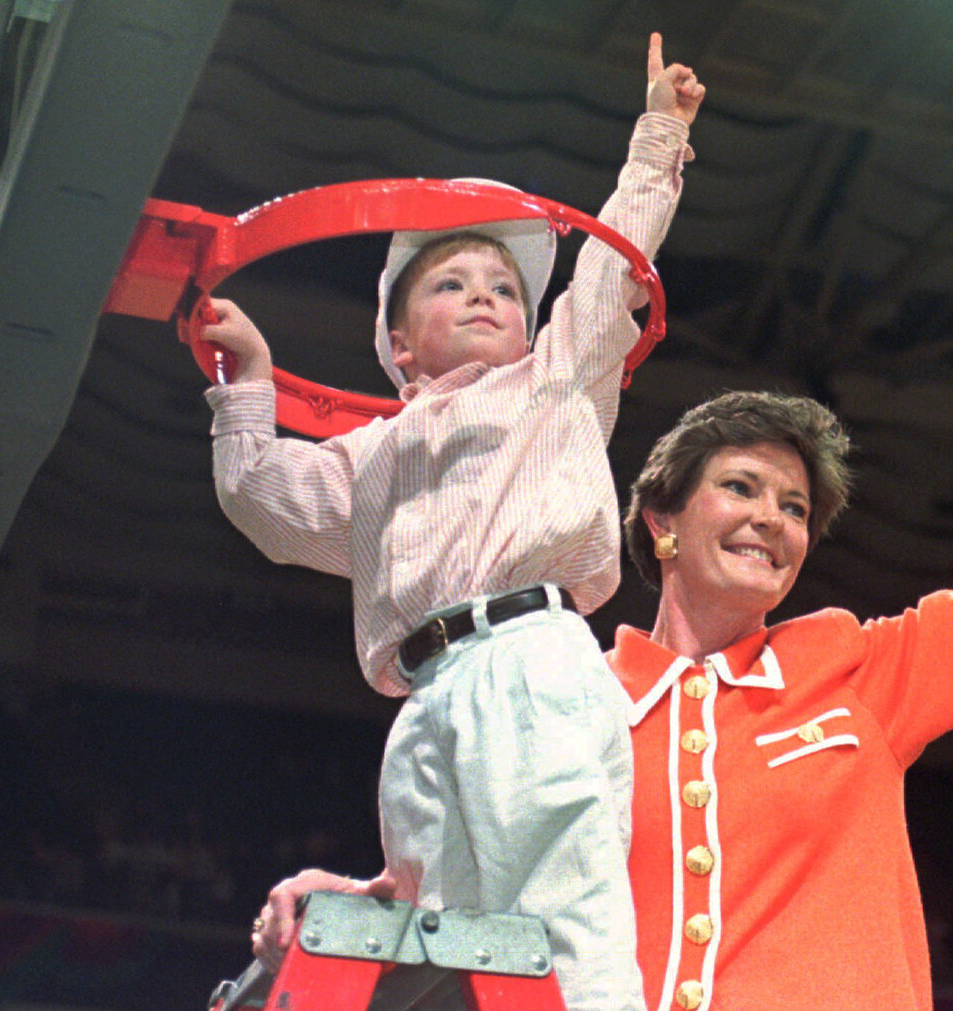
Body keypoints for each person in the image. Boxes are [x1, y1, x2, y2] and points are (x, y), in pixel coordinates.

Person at [250, 223, 953, 1010]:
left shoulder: (855, 674)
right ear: (658, 522)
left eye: (795, 509)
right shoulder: (570, 697)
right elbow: (474, 893)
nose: (774, 522)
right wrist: (358, 904)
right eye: (742, 489)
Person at [203, 34, 703, 1011]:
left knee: (568, 922)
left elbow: (610, 274)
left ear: (530, 324)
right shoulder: (373, 455)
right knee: (456, 959)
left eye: (506, 288)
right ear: (398, 342)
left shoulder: (553, 382)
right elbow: (262, 499)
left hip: (534, 667)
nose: (485, 293)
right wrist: (248, 382)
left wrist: (659, 137)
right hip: (427, 700)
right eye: (451, 283)